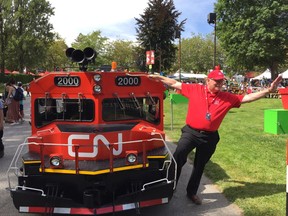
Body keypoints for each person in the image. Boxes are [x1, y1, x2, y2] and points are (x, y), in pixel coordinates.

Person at [149, 66, 282, 205]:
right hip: (191, 133)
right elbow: (175, 83)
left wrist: (268, 90)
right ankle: (169, 187)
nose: (220, 84)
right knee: (178, 157)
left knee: (200, 166)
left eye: (221, 81)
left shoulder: (227, 98)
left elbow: (247, 98)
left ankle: (191, 192)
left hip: (209, 137)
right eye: (216, 81)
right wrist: (158, 77)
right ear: (208, 80)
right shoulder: (196, 89)